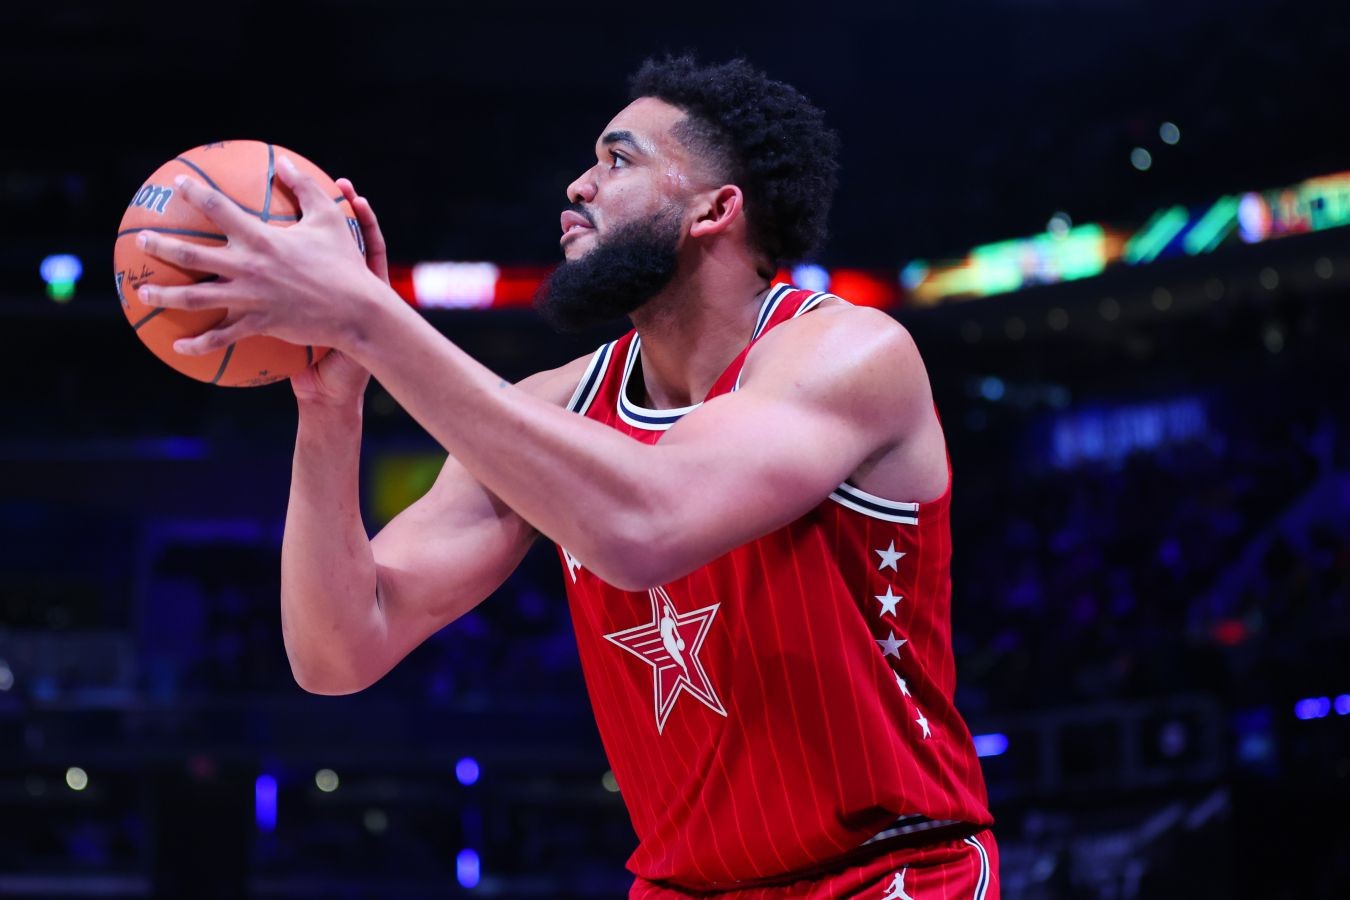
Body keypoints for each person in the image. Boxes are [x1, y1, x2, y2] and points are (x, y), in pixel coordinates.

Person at [135, 56, 998, 899]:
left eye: (618, 161)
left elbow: (647, 526)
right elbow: (338, 650)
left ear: (715, 209)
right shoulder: (557, 403)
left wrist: (369, 316)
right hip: (684, 885)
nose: (578, 186)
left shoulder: (849, 352)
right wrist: (330, 412)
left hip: (889, 871)